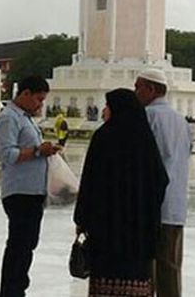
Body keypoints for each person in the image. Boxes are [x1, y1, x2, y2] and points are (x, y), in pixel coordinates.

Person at [74, 89, 169, 296]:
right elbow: (161, 180)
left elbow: (89, 181)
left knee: (105, 282)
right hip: (139, 232)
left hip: (106, 228)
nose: (105, 111)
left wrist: (81, 218)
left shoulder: (103, 137)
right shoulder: (145, 141)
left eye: (108, 106)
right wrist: (146, 208)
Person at [0, 75, 61, 297]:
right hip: (19, 192)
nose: (40, 105)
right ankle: (11, 292)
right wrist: (36, 151)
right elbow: (6, 154)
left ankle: (16, 289)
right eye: (38, 100)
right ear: (25, 94)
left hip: (32, 192)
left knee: (26, 245)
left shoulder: (25, 118)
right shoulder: (9, 118)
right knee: (19, 246)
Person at [134, 69, 190, 297]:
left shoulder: (147, 117)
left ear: (151, 89)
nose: (135, 92)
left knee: (148, 269)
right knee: (171, 268)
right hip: (175, 205)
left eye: (138, 87)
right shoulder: (181, 120)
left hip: (152, 206)